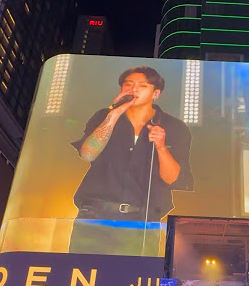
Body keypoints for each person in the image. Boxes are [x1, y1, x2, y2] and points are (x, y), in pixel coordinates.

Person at [69, 65, 194, 255]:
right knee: (84, 274)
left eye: (142, 86)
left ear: (155, 93)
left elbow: (173, 179)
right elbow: (87, 154)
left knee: (132, 280)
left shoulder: (175, 127)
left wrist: (161, 146)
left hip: (142, 221)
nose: (133, 89)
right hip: (94, 215)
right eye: (128, 84)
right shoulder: (104, 116)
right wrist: (113, 114)